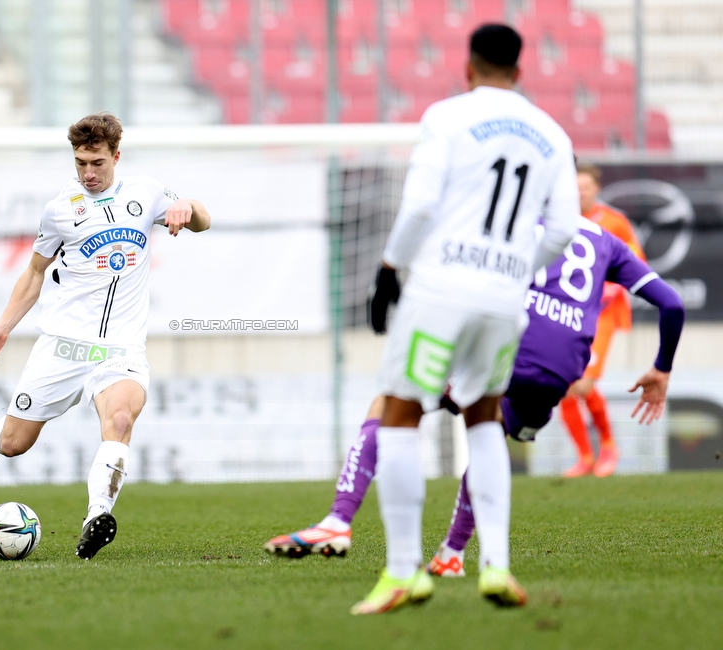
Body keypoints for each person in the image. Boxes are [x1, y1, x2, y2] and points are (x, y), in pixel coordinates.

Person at [263, 218, 685, 585]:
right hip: (562, 369)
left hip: (509, 341)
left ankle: (339, 521)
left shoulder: (515, 219)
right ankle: (452, 554)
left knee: (391, 404)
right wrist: (661, 368)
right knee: (491, 431)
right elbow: (672, 303)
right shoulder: (607, 241)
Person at [343, 24, 579, 615]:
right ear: (519, 72)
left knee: (399, 415)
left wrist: (390, 269)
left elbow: (421, 203)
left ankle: (402, 573)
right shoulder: (553, 133)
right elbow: (564, 230)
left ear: (467, 67)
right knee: (483, 416)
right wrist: (519, 271)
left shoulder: (447, 117)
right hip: (503, 299)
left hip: (443, 290)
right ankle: (495, 564)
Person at [0, 113, 211, 560]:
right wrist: (2, 328)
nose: (89, 173)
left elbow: (204, 220)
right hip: (62, 345)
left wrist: (188, 208)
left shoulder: (147, 193)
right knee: (17, 444)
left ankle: (97, 515)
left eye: (97, 162)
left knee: (119, 420)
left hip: (121, 347)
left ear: (116, 156)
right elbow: (35, 272)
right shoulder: (60, 209)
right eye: (80, 163)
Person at [560, 163, 647, 478]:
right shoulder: (560, 220)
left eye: (585, 187)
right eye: (576, 187)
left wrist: (609, 288)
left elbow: (636, 261)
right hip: (569, 311)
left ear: (596, 189)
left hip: (603, 314)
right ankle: (585, 456)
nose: (580, 193)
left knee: (581, 382)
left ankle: (608, 446)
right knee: (564, 385)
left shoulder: (614, 222)